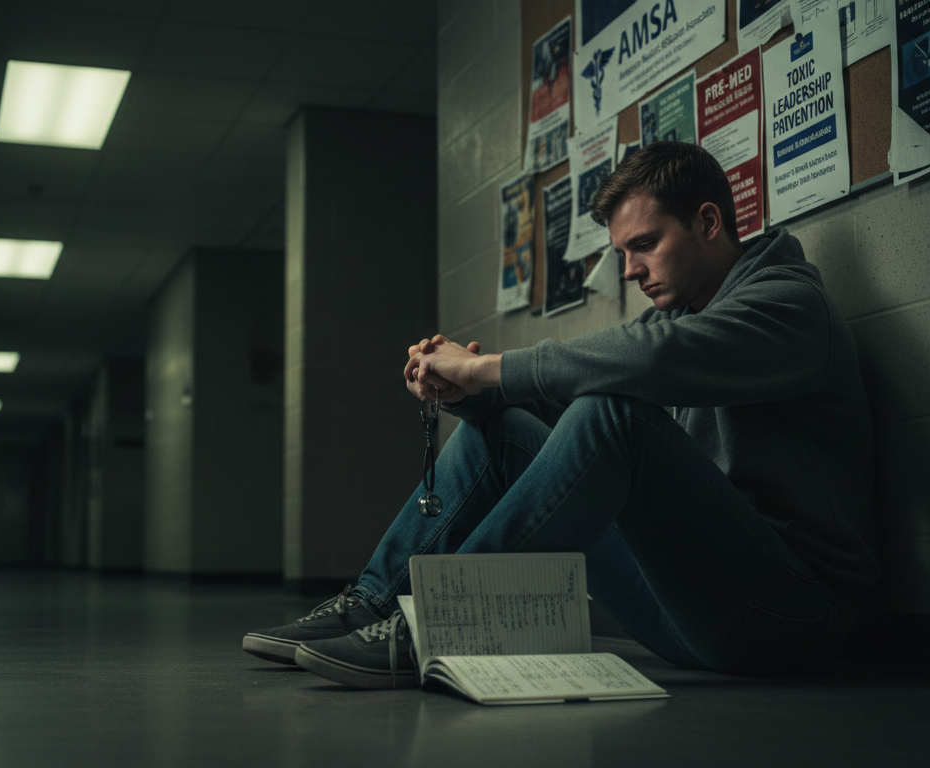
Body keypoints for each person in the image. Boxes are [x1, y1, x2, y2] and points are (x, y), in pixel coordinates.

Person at [243, 141, 878, 689]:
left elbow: (648, 362)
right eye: (623, 252)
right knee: (503, 431)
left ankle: (433, 626)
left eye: (645, 246)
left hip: (792, 617)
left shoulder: (792, 307)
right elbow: (562, 400)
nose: (630, 271)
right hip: (688, 610)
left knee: (615, 412)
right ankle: (368, 604)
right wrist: (468, 392)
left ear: (709, 221)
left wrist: (488, 367)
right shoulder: (679, 319)